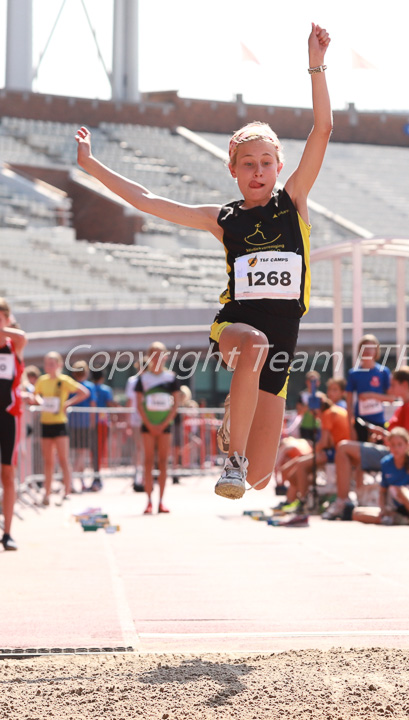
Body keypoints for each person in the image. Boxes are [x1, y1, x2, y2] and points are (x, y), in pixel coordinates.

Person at [76, 22, 332, 501]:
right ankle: (230, 457)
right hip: (236, 329)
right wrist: (91, 165)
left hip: (283, 342)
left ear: (279, 167)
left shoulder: (293, 202)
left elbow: (323, 129)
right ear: (232, 169)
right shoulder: (222, 219)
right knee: (252, 346)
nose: (257, 171)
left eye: (266, 162)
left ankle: (237, 445)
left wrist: (316, 65)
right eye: (247, 163)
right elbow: (148, 199)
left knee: (259, 480)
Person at [323, 365, 409, 520]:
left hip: (392, 454)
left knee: (343, 448)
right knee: (346, 454)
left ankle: (342, 501)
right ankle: (347, 501)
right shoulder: (404, 407)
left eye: (393, 384)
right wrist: (383, 436)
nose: (390, 388)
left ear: (404, 385)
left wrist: (385, 435)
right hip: (387, 450)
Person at [33, 352, 90, 505]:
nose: (49, 367)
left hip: (60, 423)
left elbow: (84, 392)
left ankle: (67, 491)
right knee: (48, 461)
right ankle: (47, 493)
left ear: (59, 365)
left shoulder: (64, 380)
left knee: (63, 459)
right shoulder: (42, 381)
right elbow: (35, 395)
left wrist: (67, 404)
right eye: (47, 364)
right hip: (46, 422)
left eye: (52, 364)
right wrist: (40, 402)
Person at [351, 427, 409, 526]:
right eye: (393, 445)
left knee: (401, 490)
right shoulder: (386, 463)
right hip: (399, 508)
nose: (396, 449)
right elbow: (382, 492)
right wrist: (382, 508)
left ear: (407, 445)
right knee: (356, 513)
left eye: (399, 445)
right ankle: (397, 519)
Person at [135, 342, 181, 514]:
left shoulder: (171, 378)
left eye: (161, 354)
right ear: (149, 357)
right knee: (148, 462)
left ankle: (161, 501)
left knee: (163, 462)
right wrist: (149, 424)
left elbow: (176, 404)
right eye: (154, 354)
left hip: (164, 427)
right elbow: (139, 404)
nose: (157, 358)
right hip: (148, 426)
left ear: (166, 357)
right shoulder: (143, 378)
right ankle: (148, 500)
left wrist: (163, 424)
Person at [279, 397, 350, 508]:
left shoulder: (327, 414)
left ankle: (304, 502)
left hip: (335, 452)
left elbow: (324, 443)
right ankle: (299, 498)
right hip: (336, 449)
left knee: (301, 465)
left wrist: (310, 454)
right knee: (291, 469)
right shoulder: (335, 410)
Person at [0, 298, 27, 551]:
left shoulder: (13, 346)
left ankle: (7, 533)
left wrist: (3, 327)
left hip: (8, 417)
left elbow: (22, 337)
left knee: (7, 473)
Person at [346, 334, 391, 442]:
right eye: (364, 348)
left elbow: (392, 398)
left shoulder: (383, 372)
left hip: (379, 422)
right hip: (360, 423)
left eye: (371, 348)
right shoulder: (354, 373)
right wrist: (351, 428)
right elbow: (349, 403)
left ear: (376, 351)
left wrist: (371, 395)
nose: (368, 351)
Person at [68, 361, 97, 492]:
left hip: (72, 423)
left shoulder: (71, 385)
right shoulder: (89, 386)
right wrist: (92, 423)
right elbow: (93, 406)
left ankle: (81, 481)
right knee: (82, 453)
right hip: (84, 423)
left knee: (76, 453)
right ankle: (72, 479)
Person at [89, 369, 115, 491]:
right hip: (102, 423)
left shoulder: (90, 388)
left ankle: (96, 476)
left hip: (91, 423)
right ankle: (96, 477)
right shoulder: (105, 389)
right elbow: (110, 403)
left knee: (94, 451)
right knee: (99, 451)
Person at [296, 370, 322, 442]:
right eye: (310, 380)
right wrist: (309, 404)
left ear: (318, 382)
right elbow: (299, 412)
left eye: (315, 380)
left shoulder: (321, 396)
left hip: (317, 427)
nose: (312, 383)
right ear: (306, 382)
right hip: (305, 427)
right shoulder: (302, 395)